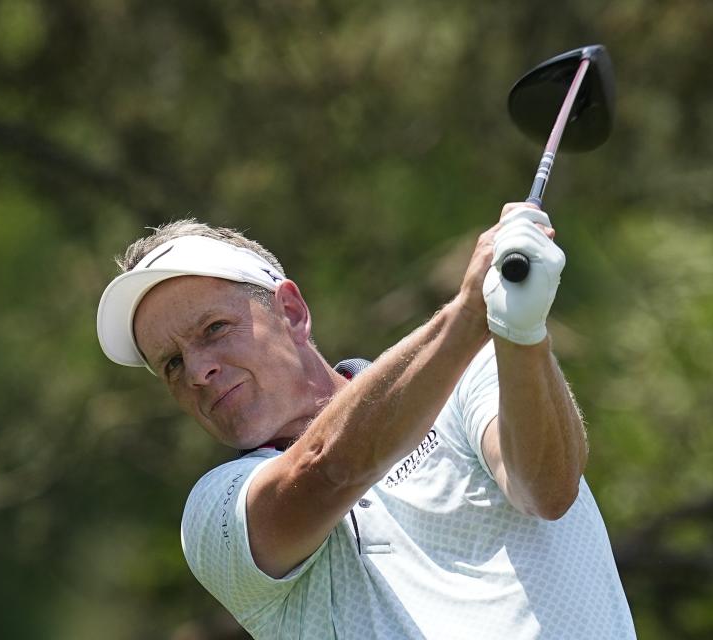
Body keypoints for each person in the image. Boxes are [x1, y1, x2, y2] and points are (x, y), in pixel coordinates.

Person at [96, 203, 636, 639]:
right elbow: (326, 470)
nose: (197, 371)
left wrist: (520, 332)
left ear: (291, 312)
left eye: (214, 328)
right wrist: (469, 315)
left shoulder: (472, 374)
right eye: (171, 363)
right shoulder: (215, 512)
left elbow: (545, 488)